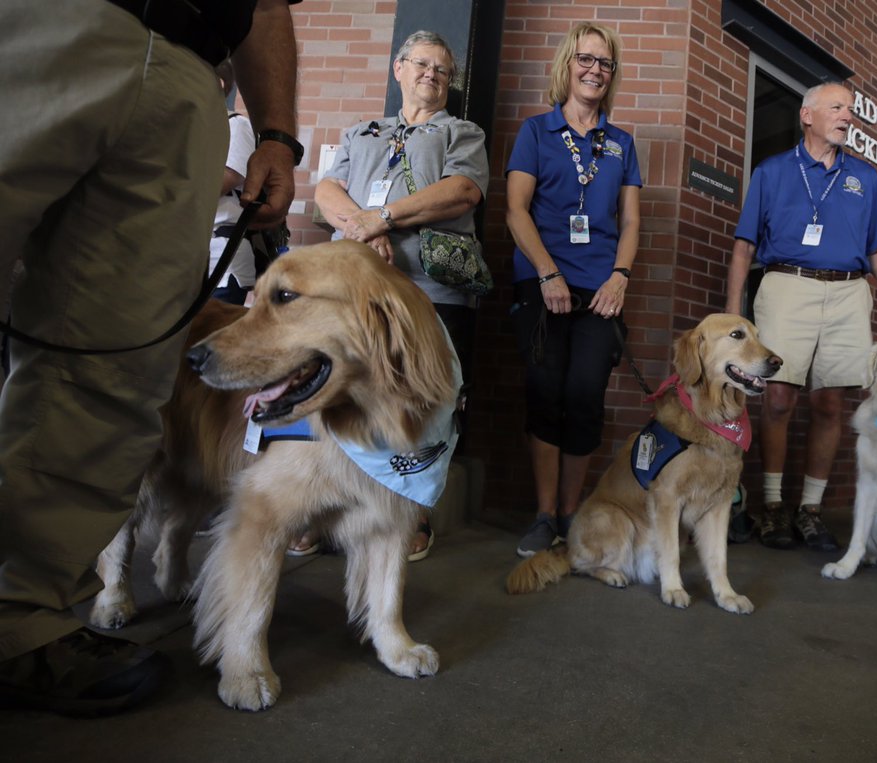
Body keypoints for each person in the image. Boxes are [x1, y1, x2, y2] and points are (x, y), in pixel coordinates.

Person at [0, 0, 299, 715]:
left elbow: (264, 3)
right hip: (39, 20)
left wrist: (277, 136)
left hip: (186, 76)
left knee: (114, 365)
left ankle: (22, 616)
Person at [314, 30, 488, 562]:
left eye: (442, 69)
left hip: (431, 291)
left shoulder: (460, 131)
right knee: (346, 391)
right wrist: (363, 227)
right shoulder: (362, 132)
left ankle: (414, 515)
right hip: (358, 287)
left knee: (424, 399)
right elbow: (326, 191)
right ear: (399, 68)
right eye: (421, 64)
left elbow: (463, 190)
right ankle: (328, 508)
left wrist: (382, 218)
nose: (431, 74)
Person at [725, 82, 877, 552]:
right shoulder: (772, 171)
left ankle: (810, 510)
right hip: (787, 284)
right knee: (778, 398)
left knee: (830, 404)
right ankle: (773, 506)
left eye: (851, 109)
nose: (848, 116)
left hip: (849, 291)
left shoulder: (865, 178)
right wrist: (731, 314)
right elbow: (745, 246)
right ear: (807, 115)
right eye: (837, 107)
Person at [506, 22, 641, 557]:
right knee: (545, 394)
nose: (595, 70)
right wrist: (547, 273)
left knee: (585, 397)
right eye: (586, 59)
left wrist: (620, 277)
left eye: (605, 63)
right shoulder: (536, 132)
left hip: (600, 292)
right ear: (567, 65)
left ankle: (570, 514)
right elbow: (516, 210)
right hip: (542, 286)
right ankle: (544, 515)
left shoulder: (621, 143)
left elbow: (630, 222)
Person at [210, 59, 260, 306]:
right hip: (185, 252)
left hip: (221, 253)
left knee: (215, 327)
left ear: (219, 84)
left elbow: (228, 178)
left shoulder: (236, 125)